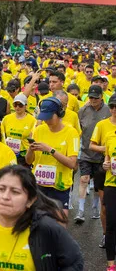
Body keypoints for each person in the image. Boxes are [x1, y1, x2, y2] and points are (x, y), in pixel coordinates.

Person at [0, 165, 84, 270]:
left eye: (15, 192)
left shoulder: (46, 228)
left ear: (30, 200)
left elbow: (75, 262)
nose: (5, 196)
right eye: (1, 189)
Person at [26, 97, 79, 217]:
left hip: (59, 187)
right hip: (39, 184)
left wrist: (50, 150)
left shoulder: (71, 133)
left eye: (49, 117)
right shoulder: (38, 130)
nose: (46, 120)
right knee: (37, 222)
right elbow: (29, 161)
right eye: (44, 117)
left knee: (60, 223)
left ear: (60, 113)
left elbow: (72, 164)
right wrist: (30, 150)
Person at [75, 85, 111, 248]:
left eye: (95, 98)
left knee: (99, 188)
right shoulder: (83, 110)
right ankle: (81, 211)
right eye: (90, 97)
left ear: (102, 97)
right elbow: (78, 130)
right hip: (86, 153)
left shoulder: (108, 111)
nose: (92, 100)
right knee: (83, 179)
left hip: (103, 156)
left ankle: (96, 209)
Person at [2, 94, 36, 166]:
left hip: (23, 155)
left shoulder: (32, 120)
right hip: (9, 153)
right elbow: (2, 135)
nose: (17, 107)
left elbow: (33, 138)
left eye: (20, 105)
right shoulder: (6, 119)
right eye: (15, 105)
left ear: (26, 106)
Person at [103, 131, 116, 271]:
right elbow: (107, 159)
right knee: (111, 223)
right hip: (111, 185)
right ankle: (111, 264)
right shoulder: (111, 137)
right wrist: (105, 164)